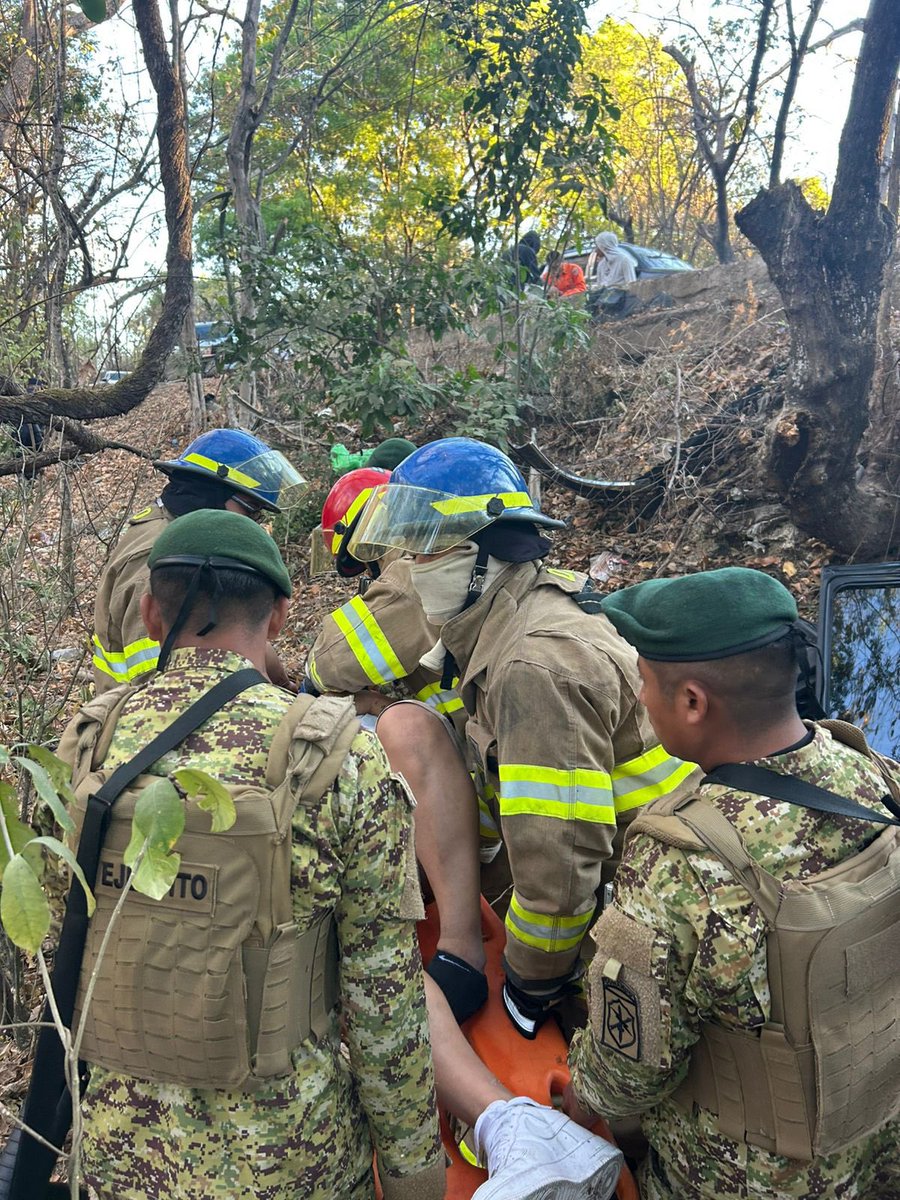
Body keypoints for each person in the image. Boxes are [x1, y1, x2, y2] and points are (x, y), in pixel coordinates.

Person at [60, 509, 445, 1199]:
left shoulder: (86, 746)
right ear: (279, 619)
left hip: (121, 1157)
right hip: (296, 1163)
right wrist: (416, 1172)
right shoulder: (336, 758)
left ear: (150, 613)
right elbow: (384, 1000)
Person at [563, 566, 900, 1199]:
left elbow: (629, 1071)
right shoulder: (874, 776)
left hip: (738, 1181)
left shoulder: (677, 861)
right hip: (878, 1149)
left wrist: (580, 1099)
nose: (640, 699)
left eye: (644, 682)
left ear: (693, 701)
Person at [347, 437, 697, 1040]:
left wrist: (528, 985)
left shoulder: (533, 667)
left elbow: (560, 870)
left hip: (635, 907)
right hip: (625, 864)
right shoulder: (515, 616)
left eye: (427, 552)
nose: (412, 569)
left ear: (481, 556)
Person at [306, 464, 488, 1025]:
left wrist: (366, 706)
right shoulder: (452, 565)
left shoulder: (410, 575)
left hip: (473, 784)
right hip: (481, 760)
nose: (361, 575)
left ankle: (450, 938)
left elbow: (328, 664)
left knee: (343, 736)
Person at [92, 427, 305, 694]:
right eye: (251, 511)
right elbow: (164, 686)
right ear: (211, 493)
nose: (253, 525)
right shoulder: (158, 559)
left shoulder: (186, 542)